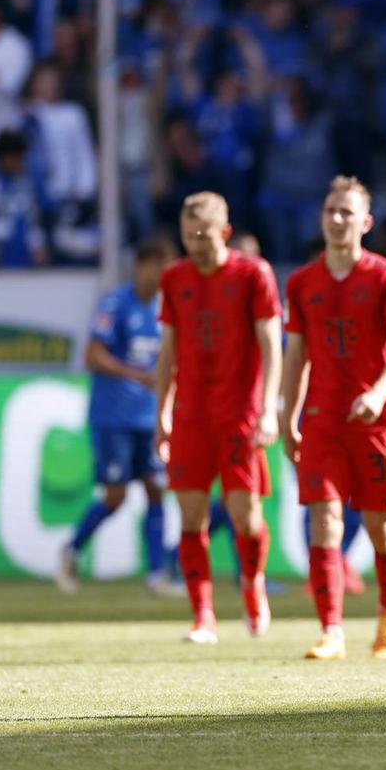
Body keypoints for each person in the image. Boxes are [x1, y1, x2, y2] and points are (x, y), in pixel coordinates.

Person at [281, 176, 386, 660]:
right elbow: (297, 357)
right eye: (331, 210)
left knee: (380, 527)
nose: (337, 219)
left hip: (374, 422)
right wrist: (287, 414)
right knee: (325, 521)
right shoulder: (301, 283)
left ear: (366, 223)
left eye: (347, 212)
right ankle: (331, 628)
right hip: (321, 420)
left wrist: (377, 394)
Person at [155, 192, 282, 644]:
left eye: (203, 235)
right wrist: (162, 413)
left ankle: (253, 586)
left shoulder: (253, 274)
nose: (196, 244)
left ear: (225, 232)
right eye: (189, 236)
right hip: (191, 414)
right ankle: (202, 617)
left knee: (244, 516)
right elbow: (168, 350)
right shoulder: (174, 278)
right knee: (191, 516)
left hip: (239, 414)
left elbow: (271, 345)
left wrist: (269, 410)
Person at [58, 238, 183, 597]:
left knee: (157, 490)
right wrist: (136, 375)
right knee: (116, 497)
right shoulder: (116, 303)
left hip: (150, 418)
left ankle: (157, 574)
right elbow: (92, 356)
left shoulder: (167, 310)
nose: (164, 275)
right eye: (159, 267)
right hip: (113, 416)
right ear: (143, 266)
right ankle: (73, 549)